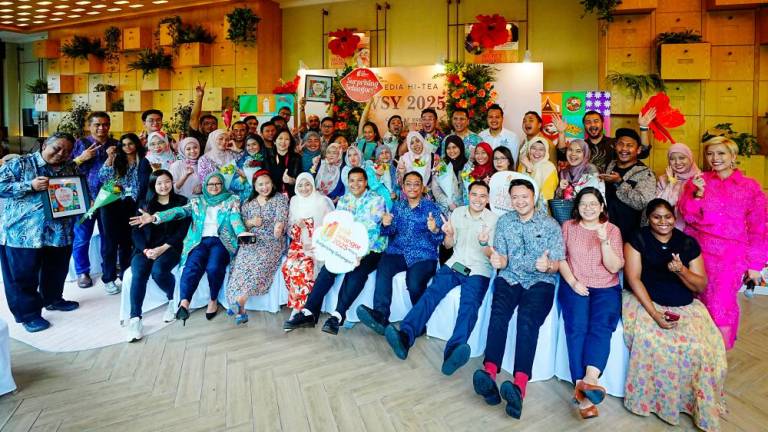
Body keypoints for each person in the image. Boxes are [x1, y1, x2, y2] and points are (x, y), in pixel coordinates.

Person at [623, 199, 726, 430]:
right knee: (655, 342)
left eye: (667, 217)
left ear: (674, 217)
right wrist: (654, 314)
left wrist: (681, 270)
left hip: (685, 306)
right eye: (657, 217)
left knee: (703, 347)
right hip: (646, 302)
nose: (663, 222)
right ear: (648, 218)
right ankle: (658, 402)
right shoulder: (637, 239)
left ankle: (695, 404)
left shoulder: (687, 243)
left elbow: (700, 286)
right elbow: (634, 279)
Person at [383, 181, 498, 375]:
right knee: (431, 294)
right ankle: (405, 336)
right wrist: (449, 235)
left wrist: (484, 242)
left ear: (487, 199)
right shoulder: (457, 213)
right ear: (468, 196)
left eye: (482, 196)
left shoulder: (493, 220)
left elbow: (490, 253)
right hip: (455, 264)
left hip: (478, 269)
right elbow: (448, 245)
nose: (478, 199)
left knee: (468, 305)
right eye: (474, 195)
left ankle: (453, 352)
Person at [472, 177, 564, 419]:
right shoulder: (504, 223)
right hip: (510, 277)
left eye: (524, 196)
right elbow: (501, 259)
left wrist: (548, 266)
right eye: (515, 197)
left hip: (540, 281)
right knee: (499, 314)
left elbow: (557, 263)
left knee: (527, 320)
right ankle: (489, 372)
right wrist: (496, 259)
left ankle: (519, 386)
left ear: (533, 197)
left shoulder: (551, 225)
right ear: (510, 200)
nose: (520, 201)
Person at [678, 136, 767, 350]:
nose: (714, 158)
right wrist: (698, 194)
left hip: (730, 256)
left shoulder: (750, 187)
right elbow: (687, 217)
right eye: (710, 154)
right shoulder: (697, 181)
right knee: (695, 301)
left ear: (733, 156)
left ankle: (718, 359)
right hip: (697, 252)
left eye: (721, 153)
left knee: (721, 305)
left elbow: (759, 228)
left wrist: (755, 265)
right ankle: (697, 354)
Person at [130, 172, 249, 324]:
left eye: (218, 184)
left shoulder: (232, 200)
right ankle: (184, 302)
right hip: (199, 241)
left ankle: (213, 299)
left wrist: (241, 232)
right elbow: (179, 211)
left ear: (222, 184)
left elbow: (235, 219)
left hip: (221, 241)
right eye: (211, 184)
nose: (214, 187)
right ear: (205, 186)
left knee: (213, 267)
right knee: (192, 265)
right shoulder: (197, 201)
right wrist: (155, 217)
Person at [282, 168, 387, 334]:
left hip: (371, 248)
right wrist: (327, 245)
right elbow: (337, 227)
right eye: (352, 180)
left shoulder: (377, 200)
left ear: (366, 182)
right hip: (345, 245)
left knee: (356, 272)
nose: (355, 184)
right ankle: (308, 312)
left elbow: (372, 231)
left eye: (359, 180)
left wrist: (359, 253)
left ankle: (337, 316)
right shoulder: (344, 201)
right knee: (329, 267)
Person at [0, 133, 81, 332]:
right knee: (23, 276)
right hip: (23, 233)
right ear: (45, 144)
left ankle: (52, 299)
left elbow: (75, 194)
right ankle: (28, 315)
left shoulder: (70, 167)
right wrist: (30, 185)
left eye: (67, 151)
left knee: (57, 269)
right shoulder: (20, 164)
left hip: (59, 232)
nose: (62, 154)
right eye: (57, 148)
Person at [557, 188, 624, 419]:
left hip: (606, 287)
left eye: (593, 203)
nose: (588, 208)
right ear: (577, 207)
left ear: (601, 206)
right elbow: (560, 258)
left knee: (601, 327)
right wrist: (574, 282)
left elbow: (614, 267)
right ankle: (583, 390)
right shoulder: (568, 227)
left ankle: (590, 381)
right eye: (583, 203)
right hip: (576, 284)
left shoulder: (612, 230)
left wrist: (604, 242)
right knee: (576, 327)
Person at [357, 171, 443, 334]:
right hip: (398, 251)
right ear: (403, 187)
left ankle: (419, 323)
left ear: (423, 187)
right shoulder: (398, 206)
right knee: (383, 268)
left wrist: (435, 229)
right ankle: (381, 316)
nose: (412, 187)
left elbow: (439, 240)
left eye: (416, 184)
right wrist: (386, 224)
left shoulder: (431, 208)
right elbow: (390, 231)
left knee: (414, 282)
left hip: (423, 254)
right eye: (408, 184)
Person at [126, 169, 190, 342]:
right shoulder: (144, 204)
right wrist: (146, 250)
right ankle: (135, 319)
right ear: (153, 185)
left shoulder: (182, 202)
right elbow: (135, 232)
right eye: (159, 183)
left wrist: (162, 248)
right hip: (145, 249)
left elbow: (181, 232)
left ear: (172, 182)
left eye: (167, 181)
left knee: (159, 271)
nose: (163, 186)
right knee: (138, 273)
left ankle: (172, 299)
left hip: (171, 247)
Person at [225, 170, 288, 325]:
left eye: (267, 183)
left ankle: (240, 301)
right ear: (255, 185)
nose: (264, 187)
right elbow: (242, 223)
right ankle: (241, 309)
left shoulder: (280, 198)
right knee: (240, 264)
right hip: (251, 238)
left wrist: (278, 228)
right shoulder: (247, 202)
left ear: (272, 184)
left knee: (259, 264)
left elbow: (281, 219)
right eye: (260, 184)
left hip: (272, 240)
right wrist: (252, 222)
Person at [98, 133, 151, 295]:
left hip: (131, 204)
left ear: (136, 144)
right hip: (111, 202)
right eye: (124, 144)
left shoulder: (143, 161)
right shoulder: (116, 159)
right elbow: (102, 176)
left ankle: (125, 275)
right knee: (110, 242)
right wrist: (109, 158)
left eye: (130, 144)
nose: (127, 147)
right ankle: (108, 278)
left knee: (128, 241)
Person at [71, 112, 118, 288]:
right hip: (85, 199)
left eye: (105, 124)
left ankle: (110, 269)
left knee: (109, 237)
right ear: (89, 126)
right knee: (82, 237)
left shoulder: (115, 144)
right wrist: (81, 158)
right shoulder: (80, 144)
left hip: (109, 198)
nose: (101, 128)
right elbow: (66, 169)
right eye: (97, 124)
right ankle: (82, 271)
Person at [282, 173, 334, 318]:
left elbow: (332, 226)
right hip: (298, 244)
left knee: (305, 267)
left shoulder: (322, 201)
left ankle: (302, 308)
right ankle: (297, 303)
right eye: (300, 185)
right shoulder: (294, 200)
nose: (304, 188)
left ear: (312, 184)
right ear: (296, 187)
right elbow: (289, 227)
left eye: (307, 184)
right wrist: (297, 227)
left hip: (318, 245)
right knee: (289, 266)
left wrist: (318, 241)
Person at [601, 128, 656, 241]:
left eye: (629, 145)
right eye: (620, 144)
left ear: (639, 150)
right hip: (606, 231)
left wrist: (619, 183)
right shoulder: (610, 166)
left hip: (631, 235)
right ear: (615, 146)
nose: (624, 149)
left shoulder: (645, 173)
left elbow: (642, 202)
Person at [655, 143, 700, 230]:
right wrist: (671, 183)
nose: (677, 162)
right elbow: (659, 206)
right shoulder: (663, 179)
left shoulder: (700, 179)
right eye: (672, 159)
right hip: (667, 230)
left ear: (690, 158)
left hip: (695, 230)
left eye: (682, 158)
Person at [432, 135, 470, 215]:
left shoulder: (468, 165)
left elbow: (471, 188)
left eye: (454, 147)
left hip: (466, 210)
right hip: (445, 210)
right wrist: (448, 203)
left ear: (460, 147)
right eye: (448, 148)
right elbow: (435, 190)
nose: (451, 151)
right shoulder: (440, 166)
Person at [517, 136, 558, 202]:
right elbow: (517, 188)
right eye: (533, 148)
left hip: (541, 208)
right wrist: (528, 168)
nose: (537, 152)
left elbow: (547, 196)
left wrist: (530, 169)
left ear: (546, 152)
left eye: (541, 149)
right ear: (529, 149)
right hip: (521, 204)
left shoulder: (550, 168)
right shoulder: (523, 165)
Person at [230, 135, 268, 203]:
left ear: (260, 144)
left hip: (263, 199)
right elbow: (232, 186)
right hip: (244, 200)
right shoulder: (241, 162)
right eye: (248, 145)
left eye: (254, 144)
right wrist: (242, 178)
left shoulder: (267, 160)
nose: (251, 147)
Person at [267, 129, 302, 196]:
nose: (283, 142)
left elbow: (299, 179)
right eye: (280, 138)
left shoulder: (296, 157)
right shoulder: (268, 158)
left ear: (290, 143)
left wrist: (291, 180)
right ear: (274, 141)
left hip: (292, 194)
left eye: (287, 139)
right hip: (273, 195)